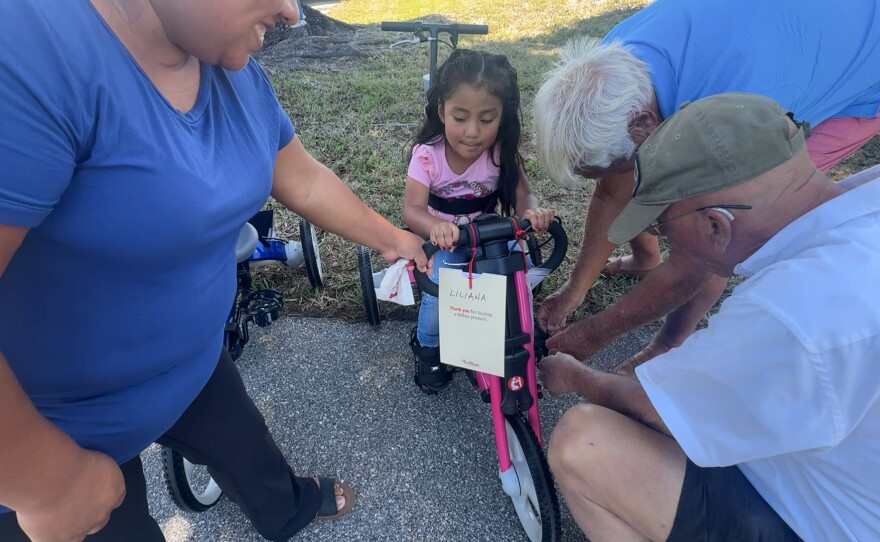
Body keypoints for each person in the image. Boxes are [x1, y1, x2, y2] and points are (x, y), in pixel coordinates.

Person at [0, 1, 430, 541]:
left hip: (195, 363)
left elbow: (303, 179)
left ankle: (284, 508)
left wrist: (394, 239)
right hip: (52, 427)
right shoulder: (30, 48)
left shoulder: (233, 73)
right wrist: (46, 484)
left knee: (249, 451)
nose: (293, 13)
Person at [538, 92, 880, 541]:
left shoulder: (790, 308)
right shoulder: (865, 194)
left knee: (584, 441)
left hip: (825, 521)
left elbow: (660, 410)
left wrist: (575, 376)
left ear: (716, 226)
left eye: (663, 226)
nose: (662, 239)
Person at [532, 0, 880, 373]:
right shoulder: (610, 70)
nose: (612, 178)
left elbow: (710, 252)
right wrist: (574, 291)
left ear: (644, 123)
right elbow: (613, 190)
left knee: (734, 229)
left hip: (857, 73)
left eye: (611, 167)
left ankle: (667, 346)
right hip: (788, 36)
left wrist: (593, 334)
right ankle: (647, 260)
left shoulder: (749, 115)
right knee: (645, 176)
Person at [402, 48, 554, 393]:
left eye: (486, 120)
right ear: (442, 111)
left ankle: (519, 336)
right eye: (460, 117)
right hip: (443, 240)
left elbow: (523, 195)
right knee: (438, 293)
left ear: (503, 118)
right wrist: (435, 227)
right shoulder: (428, 156)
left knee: (521, 274)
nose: (473, 132)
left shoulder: (500, 152)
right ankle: (427, 346)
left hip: (488, 233)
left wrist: (531, 210)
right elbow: (412, 210)